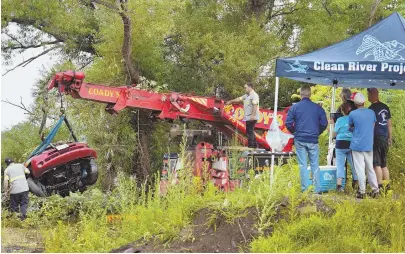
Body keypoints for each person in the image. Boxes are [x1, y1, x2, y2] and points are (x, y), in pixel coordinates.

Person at [286, 85, 328, 194]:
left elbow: (288, 123)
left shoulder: (294, 107)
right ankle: (317, 189)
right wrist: (317, 132)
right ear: (310, 94)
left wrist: (295, 131)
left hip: (300, 139)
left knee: (302, 165)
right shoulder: (318, 108)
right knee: (315, 164)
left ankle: (304, 190)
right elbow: (324, 123)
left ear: (301, 94)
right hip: (313, 140)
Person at [349, 93, 379, 199]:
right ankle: (375, 190)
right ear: (364, 102)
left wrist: (354, 129)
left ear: (355, 103)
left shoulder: (352, 114)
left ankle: (362, 191)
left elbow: (351, 127)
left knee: (360, 168)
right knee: (370, 167)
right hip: (368, 144)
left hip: (357, 145)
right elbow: (373, 126)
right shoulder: (371, 112)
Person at [367, 88, 392, 192]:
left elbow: (371, 125)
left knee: (377, 164)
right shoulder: (385, 107)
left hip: (376, 137)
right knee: (384, 163)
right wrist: (390, 137)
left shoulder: (371, 108)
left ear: (373, 95)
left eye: (368, 94)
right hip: (385, 137)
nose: (367, 96)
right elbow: (389, 124)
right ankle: (388, 186)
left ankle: (380, 186)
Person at [331, 101, 358, 192]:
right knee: (354, 164)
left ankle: (339, 186)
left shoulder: (340, 120)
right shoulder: (354, 119)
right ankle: (356, 183)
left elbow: (334, 133)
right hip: (351, 143)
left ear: (342, 110)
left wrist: (333, 124)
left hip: (340, 144)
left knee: (340, 165)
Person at [226, 83, 260, 148]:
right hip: (248, 117)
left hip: (251, 117)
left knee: (249, 131)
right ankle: (255, 145)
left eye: (245, 87)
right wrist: (231, 101)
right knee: (250, 131)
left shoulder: (254, 95)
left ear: (250, 87)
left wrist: (252, 116)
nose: (245, 89)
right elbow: (239, 99)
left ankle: (251, 146)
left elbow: (255, 105)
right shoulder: (247, 95)